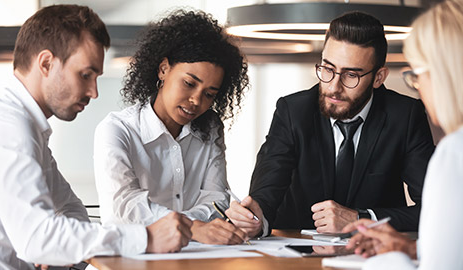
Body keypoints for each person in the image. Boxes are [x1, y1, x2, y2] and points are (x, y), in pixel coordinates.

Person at [0, 5, 192, 270]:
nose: (94, 92)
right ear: (46, 63)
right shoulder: (5, 124)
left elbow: (71, 208)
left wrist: (60, 247)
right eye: (85, 75)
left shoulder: (26, 124)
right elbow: (37, 238)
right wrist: (147, 237)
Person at [226, 11, 435, 238]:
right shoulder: (293, 111)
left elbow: (435, 208)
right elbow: (267, 192)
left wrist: (361, 218)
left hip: (374, 254)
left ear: (378, 77)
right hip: (295, 252)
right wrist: (257, 219)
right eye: (327, 68)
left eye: (351, 75)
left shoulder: (405, 115)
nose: (334, 86)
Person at [93, 10, 249, 245]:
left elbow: (216, 199)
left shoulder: (211, 128)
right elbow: (124, 207)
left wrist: (187, 228)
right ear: (163, 69)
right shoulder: (117, 130)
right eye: (189, 83)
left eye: (209, 94)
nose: (196, 101)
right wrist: (194, 227)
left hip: (191, 258)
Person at [344, 1, 463, 268]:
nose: (418, 88)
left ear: (445, 75)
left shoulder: (455, 153)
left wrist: (386, 261)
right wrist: (414, 248)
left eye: (417, 75)